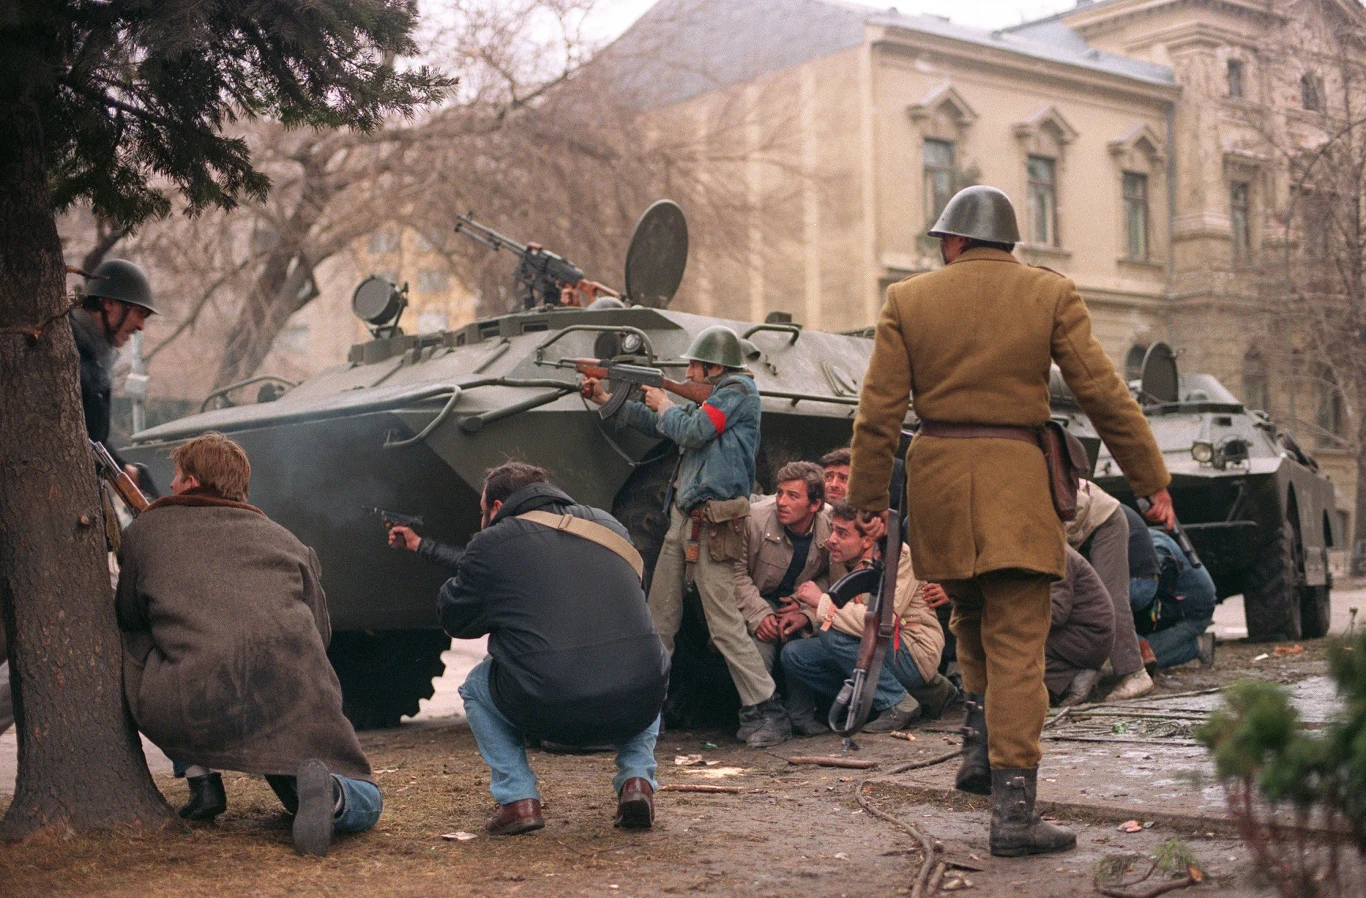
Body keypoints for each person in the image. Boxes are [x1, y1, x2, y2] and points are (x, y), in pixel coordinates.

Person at [844, 185, 1173, 857]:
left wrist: (867, 498)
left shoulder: (908, 300)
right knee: (1020, 646)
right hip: (1015, 487)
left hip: (937, 484)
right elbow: (1103, 393)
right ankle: (1014, 814)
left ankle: (977, 749)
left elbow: (877, 411)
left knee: (968, 618)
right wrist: (1151, 481)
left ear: (954, 241)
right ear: (1010, 241)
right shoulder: (1048, 293)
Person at [115, 434, 380, 856]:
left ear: (192, 481)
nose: (169, 486)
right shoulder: (288, 541)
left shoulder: (146, 532)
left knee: (143, 636)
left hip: (190, 705)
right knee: (362, 792)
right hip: (288, 702)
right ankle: (332, 797)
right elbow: (320, 633)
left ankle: (202, 780)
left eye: (177, 476)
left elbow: (127, 615)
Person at [437, 462, 669, 835]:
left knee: (477, 686)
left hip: (550, 704)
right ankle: (637, 781)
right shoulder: (609, 527)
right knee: (643, 663)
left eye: (483, 511)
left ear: (495, 507)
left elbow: (455, 620)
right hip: (638, 701)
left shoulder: (491, 542)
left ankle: (518, 801)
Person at [583, 325, 787, 748]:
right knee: (660, 620)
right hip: (684, 518)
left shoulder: (738, 393)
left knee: (726, 624)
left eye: (694, 365)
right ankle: (648, 710)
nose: (688, 372)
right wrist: (607, 398)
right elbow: (665, 426)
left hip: (714, 523)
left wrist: (662, 401)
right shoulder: (715, 399)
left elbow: (692, 432)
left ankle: (765, 708)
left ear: (714, 366)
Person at [786, 503, 955, 731]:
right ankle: (876, 702)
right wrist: (806, 614)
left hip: (911, 649)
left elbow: (884, 621)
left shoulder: (899, 557)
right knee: (795, 654)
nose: (832, 539)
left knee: (831, 633)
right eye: (833, 530)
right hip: (872, 647)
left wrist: (822, 603)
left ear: (867, 541)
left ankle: (897, 702)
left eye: (842, 533)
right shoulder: (841, 557)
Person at [733, 461, 832, 741]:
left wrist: (805, 612)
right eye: (779, 493)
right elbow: (734, 573)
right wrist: (759, 614)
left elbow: (831, 577)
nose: (781, 502)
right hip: (755, 598)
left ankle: (801, 714)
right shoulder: (753, 519)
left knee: (800, 639)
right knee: (759, 643)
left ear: (814, 505)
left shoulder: (829, 527)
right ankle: (756, 718)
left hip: (796, 603)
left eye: (793, 496)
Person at [1067, 480, 1154, 700]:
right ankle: (1081, 673)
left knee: (1109, 600)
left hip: (1103, 521)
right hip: (1079, 530)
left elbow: (1077, 503)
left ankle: (1135, 673)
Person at [1134, 528, 1217, 670]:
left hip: (1190, 613)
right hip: (1170, 607)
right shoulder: (1135, 535)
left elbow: (1139, 595)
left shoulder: (1152, 546)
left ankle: (1198, 646)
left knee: (1128, 659)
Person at [1045, 549, 1116, 706]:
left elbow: (1057, 612)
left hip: (1089, 636)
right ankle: (1073, 678)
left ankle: (1072, 680)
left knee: (1020, 642)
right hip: (1083, 633)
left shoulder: (1055, 554)